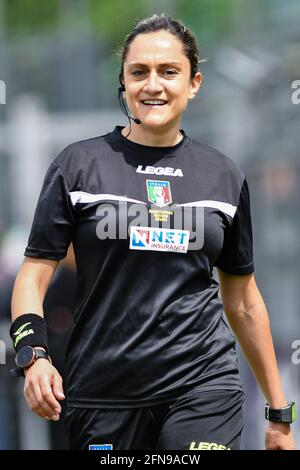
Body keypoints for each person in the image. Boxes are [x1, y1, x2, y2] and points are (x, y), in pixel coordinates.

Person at [10, 14, 296, 450]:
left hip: (203, 385)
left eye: (169, 71)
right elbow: (32, 276)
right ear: (122, 82)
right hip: (103, 393)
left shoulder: (224, 177)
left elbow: (243, 301)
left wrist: (279, 414)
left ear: (194, 82)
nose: (153, 85)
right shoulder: (78, 166)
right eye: (138, 72)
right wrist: (34, 357)